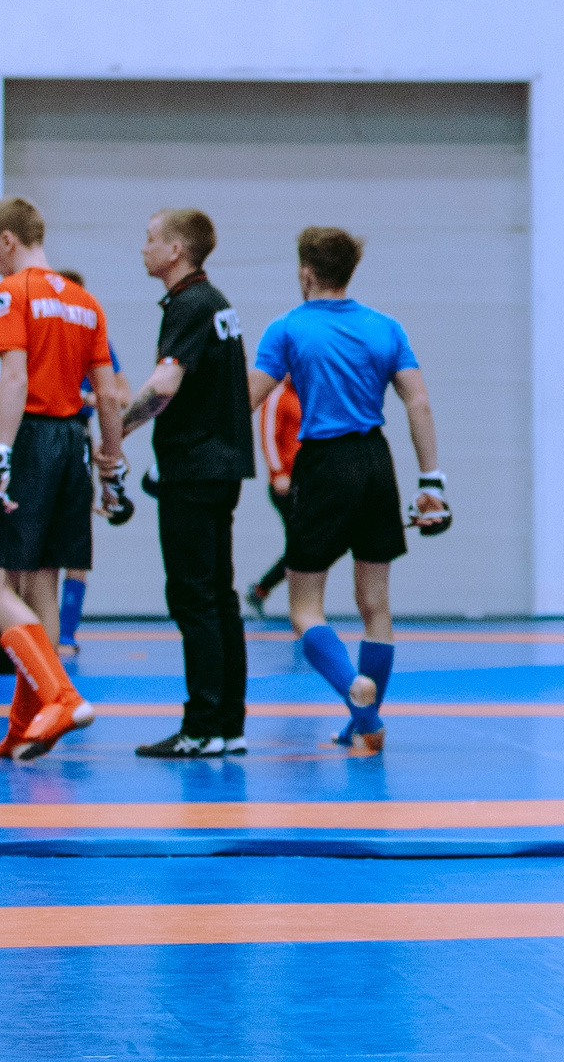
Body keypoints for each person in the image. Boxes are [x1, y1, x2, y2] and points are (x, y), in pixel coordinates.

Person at [245, 226, 449, 755]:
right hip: (376, 462)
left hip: (324, 463)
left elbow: (247, 399)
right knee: (375, 603)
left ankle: (355, 696)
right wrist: (432, 484)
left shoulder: (288, 328)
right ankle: (369, 725)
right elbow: (419, 404)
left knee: (304, 608)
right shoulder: (386, 328)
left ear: (306, 273)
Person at [0, 197, 129, 759]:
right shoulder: (86, 303)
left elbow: (12, 380)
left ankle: (62, 695)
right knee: (41, 586)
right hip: (74, 447)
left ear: (7, 239)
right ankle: (25, 723)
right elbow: (109, 394)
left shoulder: (10, 292)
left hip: (32, 440)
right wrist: (111, 464)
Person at [122, 209, 257, 759]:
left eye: (149, 238)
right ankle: (227, 722)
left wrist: (115, 431)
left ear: (175, 249)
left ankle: (202, 724)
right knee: (218, 598)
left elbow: (165, 383)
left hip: (195, 472)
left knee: (194, 598)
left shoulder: (191, 303)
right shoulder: (216, 303)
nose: (143, 247)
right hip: (219, 467)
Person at [49, 269, 125, 661]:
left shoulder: (94, 337)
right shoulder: (38, 336)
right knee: (32, 540)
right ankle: (33, 627)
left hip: (77, 437)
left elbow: (120, 393)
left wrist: (83, 397)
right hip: (43, 436)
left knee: (75, 540)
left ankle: (65, 630)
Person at [245, 376, 302, 619]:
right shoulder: (279, 395)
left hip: (307, 481)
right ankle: (264, 590)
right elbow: (268, 436)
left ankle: (262, 590)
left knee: (305, 544)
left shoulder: (308, 394)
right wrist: (278, 472)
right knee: (301, 544)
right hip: (286, 484)